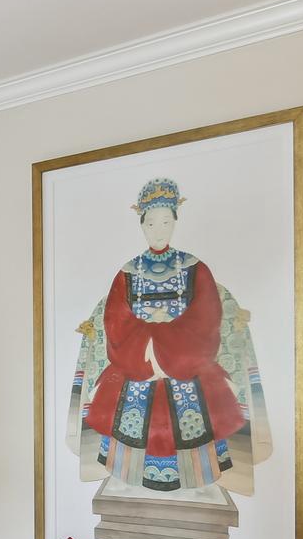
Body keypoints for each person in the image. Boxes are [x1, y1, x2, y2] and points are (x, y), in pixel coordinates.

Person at [71, 177, 248, 494]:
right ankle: (129, 479)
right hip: (138, 359)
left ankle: (197, 481)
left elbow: (207, 318)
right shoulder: (128, 271)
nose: (159, 229)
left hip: (185, 359)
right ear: (142, 225)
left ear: (175, 221)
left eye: (166, 221)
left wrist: (167, 343)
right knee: (126, 403)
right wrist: (148, 345)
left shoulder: (195, 268)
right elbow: (115, 321)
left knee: (197, 402)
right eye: (151, 222)